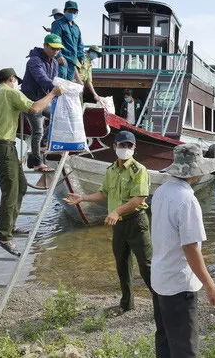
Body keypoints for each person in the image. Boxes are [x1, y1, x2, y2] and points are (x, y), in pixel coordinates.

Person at [0, 68, 63, 256]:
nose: (16, 82)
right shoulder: (12, 93)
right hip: (4, 148)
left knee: (21, 186)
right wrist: (53, 94)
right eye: (15, 80)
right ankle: (4, 237)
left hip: (1, 146)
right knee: (10, 191)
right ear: (11, 78)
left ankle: (11, 225)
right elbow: (34, 109)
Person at [64, 131, 152, 312]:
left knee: (146, 266)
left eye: (129, 146)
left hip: (136, 222)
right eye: (122, 145)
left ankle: (162, 303)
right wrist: (83, 198)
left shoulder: (139, 170)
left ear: (134, 148)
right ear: (114, 147)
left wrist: (116, 211)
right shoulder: (111, 170)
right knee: (122, 264)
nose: (125, 149)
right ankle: (127, 304)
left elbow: (139, 199)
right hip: (118, 224)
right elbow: (104, 193)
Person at [150, 143, 215, 357]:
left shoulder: (161, 191)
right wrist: (210, 285)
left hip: (160, 277)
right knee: (185, 347)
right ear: (195, 172)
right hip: (179, 285)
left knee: (164, 337)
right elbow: (191, 248)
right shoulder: (187, 200)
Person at [21, 34, 65, 172]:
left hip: (43, 99)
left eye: (58, 49)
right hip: (31, 101)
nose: (55, 52)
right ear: (45, 45)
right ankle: (37, 163)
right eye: (53, 48)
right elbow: (43, 79)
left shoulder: (55, 62)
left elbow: (54, 80)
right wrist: (56, 88)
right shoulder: (34, 61)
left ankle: (43, 144)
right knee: (38, 131)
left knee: (58, 117)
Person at [51, 0, 85, 81]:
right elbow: (55, 41)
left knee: (68, 85)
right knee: (60, 83)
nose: (72, 13)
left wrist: (81, 57)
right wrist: (59, 56)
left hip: (72, 61)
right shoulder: (57, 24)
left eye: (75, 11)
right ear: (64, 11)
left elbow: (79, 44)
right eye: (70, 11)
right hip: (62, 59)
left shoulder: (76, 28)